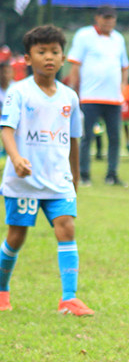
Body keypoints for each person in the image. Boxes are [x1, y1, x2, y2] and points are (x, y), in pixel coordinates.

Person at [0, 25, 92, 316]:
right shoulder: (18, 92)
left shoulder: (70, 97)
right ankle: (2, 291)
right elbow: (6, 130)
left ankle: (69, 299)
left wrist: (75, 176)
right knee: (16, 236)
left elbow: (74, 140)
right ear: (28, 59)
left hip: (58, 180)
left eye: (54, 52)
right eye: (41, 52)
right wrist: (16, 159)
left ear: (63, 58)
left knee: (66, 227)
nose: (48, 57)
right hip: (24, 181)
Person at [65, 4, 129, 187]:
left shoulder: (118, 39)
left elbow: (124, 66)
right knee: (86, 137)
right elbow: (75, 65)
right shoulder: (84, 36)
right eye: (105, 18)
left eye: (112, 18)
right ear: (97, 18)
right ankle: (83, 173)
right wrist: (73, 91)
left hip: (113, 98)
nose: (108, 21)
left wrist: (123, 87)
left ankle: (112, 174)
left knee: (115, 138)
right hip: (90, 96)